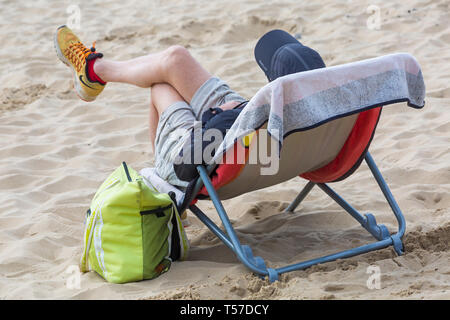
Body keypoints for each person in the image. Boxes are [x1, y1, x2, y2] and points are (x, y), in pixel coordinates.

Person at [54, 26, 325, 189]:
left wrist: (218, 115)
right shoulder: (332, 106)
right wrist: (238, 111)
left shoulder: (239, 125)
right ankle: (95, 70)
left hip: (223, 143)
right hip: (257, 126)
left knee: (160, 87)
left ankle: (163, 187)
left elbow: (187, 165)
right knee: (176, 58)